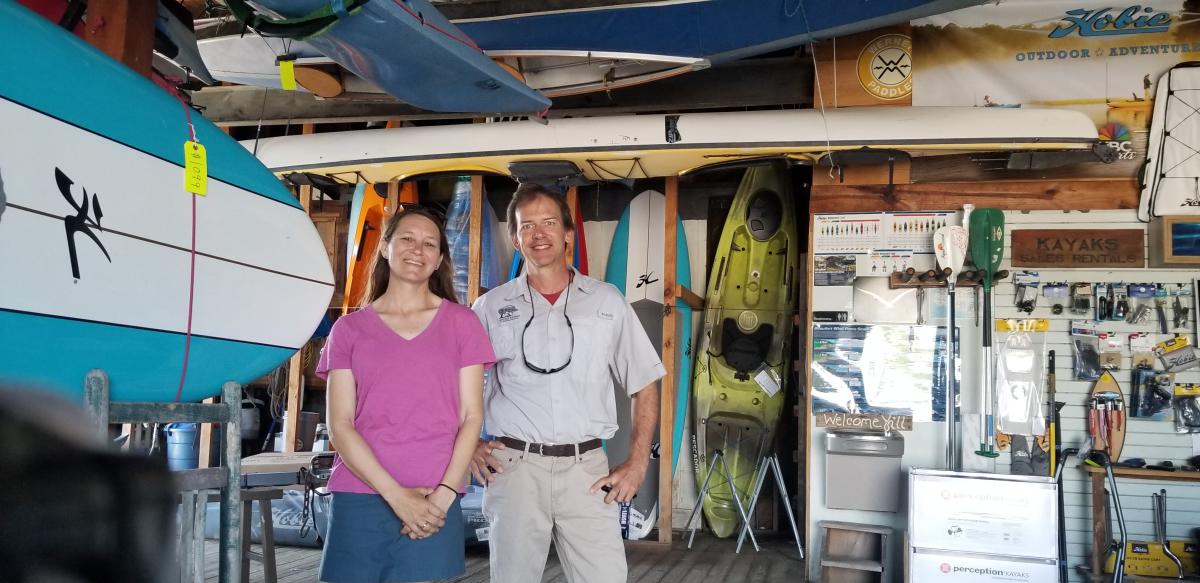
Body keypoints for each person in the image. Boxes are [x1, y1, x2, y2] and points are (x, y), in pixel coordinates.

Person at [470, 183, 665, 583]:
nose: (539, 235)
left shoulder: (606, 301)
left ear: (567, 234)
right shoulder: (489, 308)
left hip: (587, 471)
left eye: (549, 223)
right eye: (527, 227)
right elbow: (460, 385)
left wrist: (638, 461)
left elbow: (644, 382)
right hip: (515, 469)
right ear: (515, 238)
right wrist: (469, 443)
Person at [315, 207, 496, 583]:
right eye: (407, 239)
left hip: (436, 497)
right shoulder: (348, 330)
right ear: (384, 247)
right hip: (361, 495)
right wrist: (398, 498)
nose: (418, 249)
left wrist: (444, 497)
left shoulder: (463, 324)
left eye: (430, 243)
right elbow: (340, 426)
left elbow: (472, 418)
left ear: (440, 259)